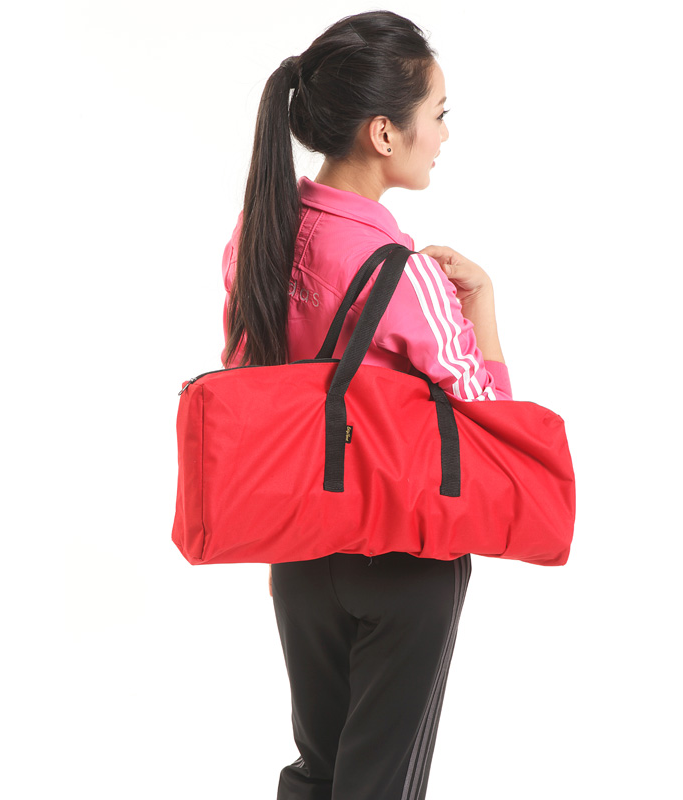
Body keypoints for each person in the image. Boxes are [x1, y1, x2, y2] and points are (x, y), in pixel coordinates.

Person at [220, 11, 512, 799]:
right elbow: (489, 427)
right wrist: (483, 305)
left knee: (318, 771)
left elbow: (250, 395)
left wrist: (279, 542)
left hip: (299, 552)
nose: (444, 134)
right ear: (385, 132)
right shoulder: (406, 274)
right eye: (438, 114)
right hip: (405, 558)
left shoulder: (257, 240)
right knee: (381, 785)